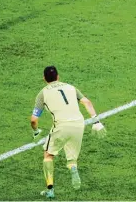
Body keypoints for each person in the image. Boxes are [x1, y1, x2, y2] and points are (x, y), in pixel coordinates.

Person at [31, 66, 106, 198]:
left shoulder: (42, 94)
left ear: (44, 78)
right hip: (78, 124)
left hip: (61, 126)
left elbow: (33, 120)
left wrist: (36, 131)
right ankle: (72, 167)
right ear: (58, 76)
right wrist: (96, 121)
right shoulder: (71, 87)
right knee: (72, 158)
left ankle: (50, 190)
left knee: (48, 155)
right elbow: (87, 102)